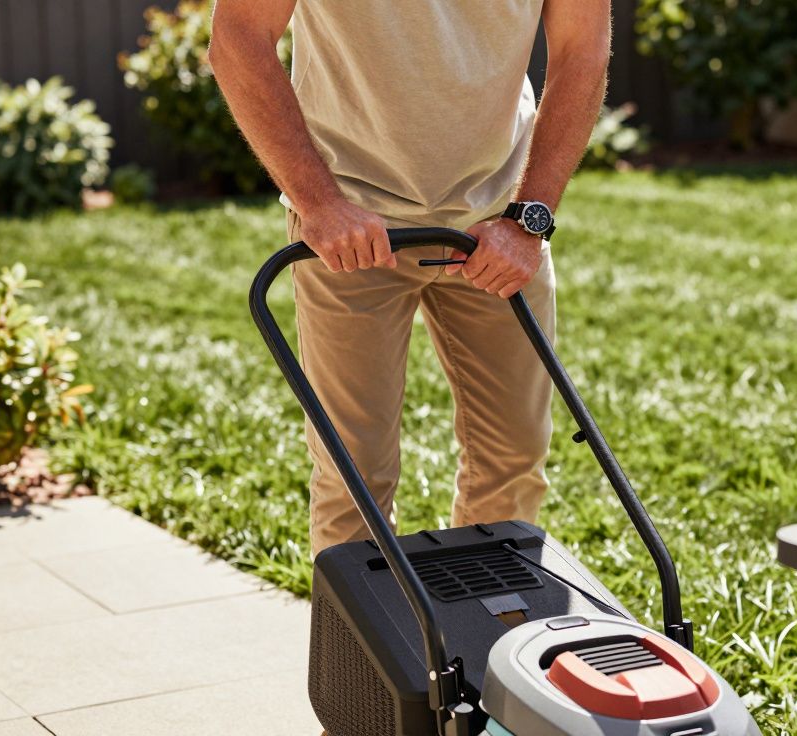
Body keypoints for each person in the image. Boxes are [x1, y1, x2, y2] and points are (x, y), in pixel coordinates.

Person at [210, 0, 612, 556]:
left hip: (496, 224)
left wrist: (528, 217)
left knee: (513, 461)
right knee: (354, 479)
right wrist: (321, 205)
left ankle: (485, 632)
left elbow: (581, 49)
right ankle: (352, 644)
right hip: (352, 227)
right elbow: (238, 37)